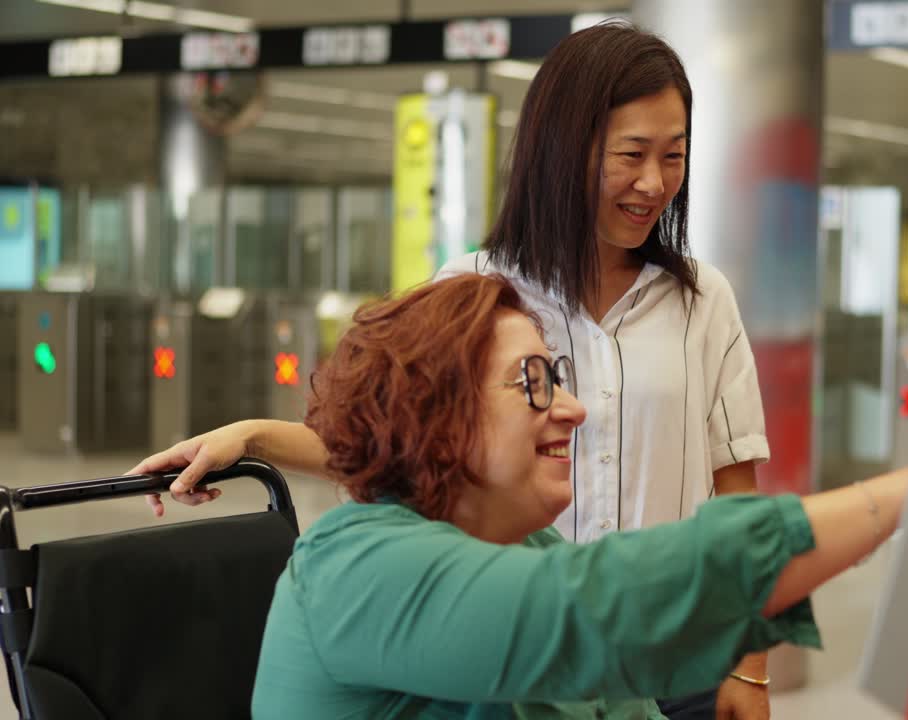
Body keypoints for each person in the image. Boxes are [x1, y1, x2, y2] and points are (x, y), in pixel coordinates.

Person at [138, 22, 772, 719]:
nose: (654, 182)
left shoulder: (701, 302)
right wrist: (253, 438)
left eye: (673, 156)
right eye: (631, 154)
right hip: (523, 650)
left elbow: (739, 502)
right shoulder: (477, 294)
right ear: (565, 150)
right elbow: (400, 452)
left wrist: (750, 669)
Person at [245, 272, 908, 719]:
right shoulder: (357, 568)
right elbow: (594, 610)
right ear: (438, 419)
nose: (572, 409)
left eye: (557, 377)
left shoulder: (517, 540)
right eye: (532, 382)